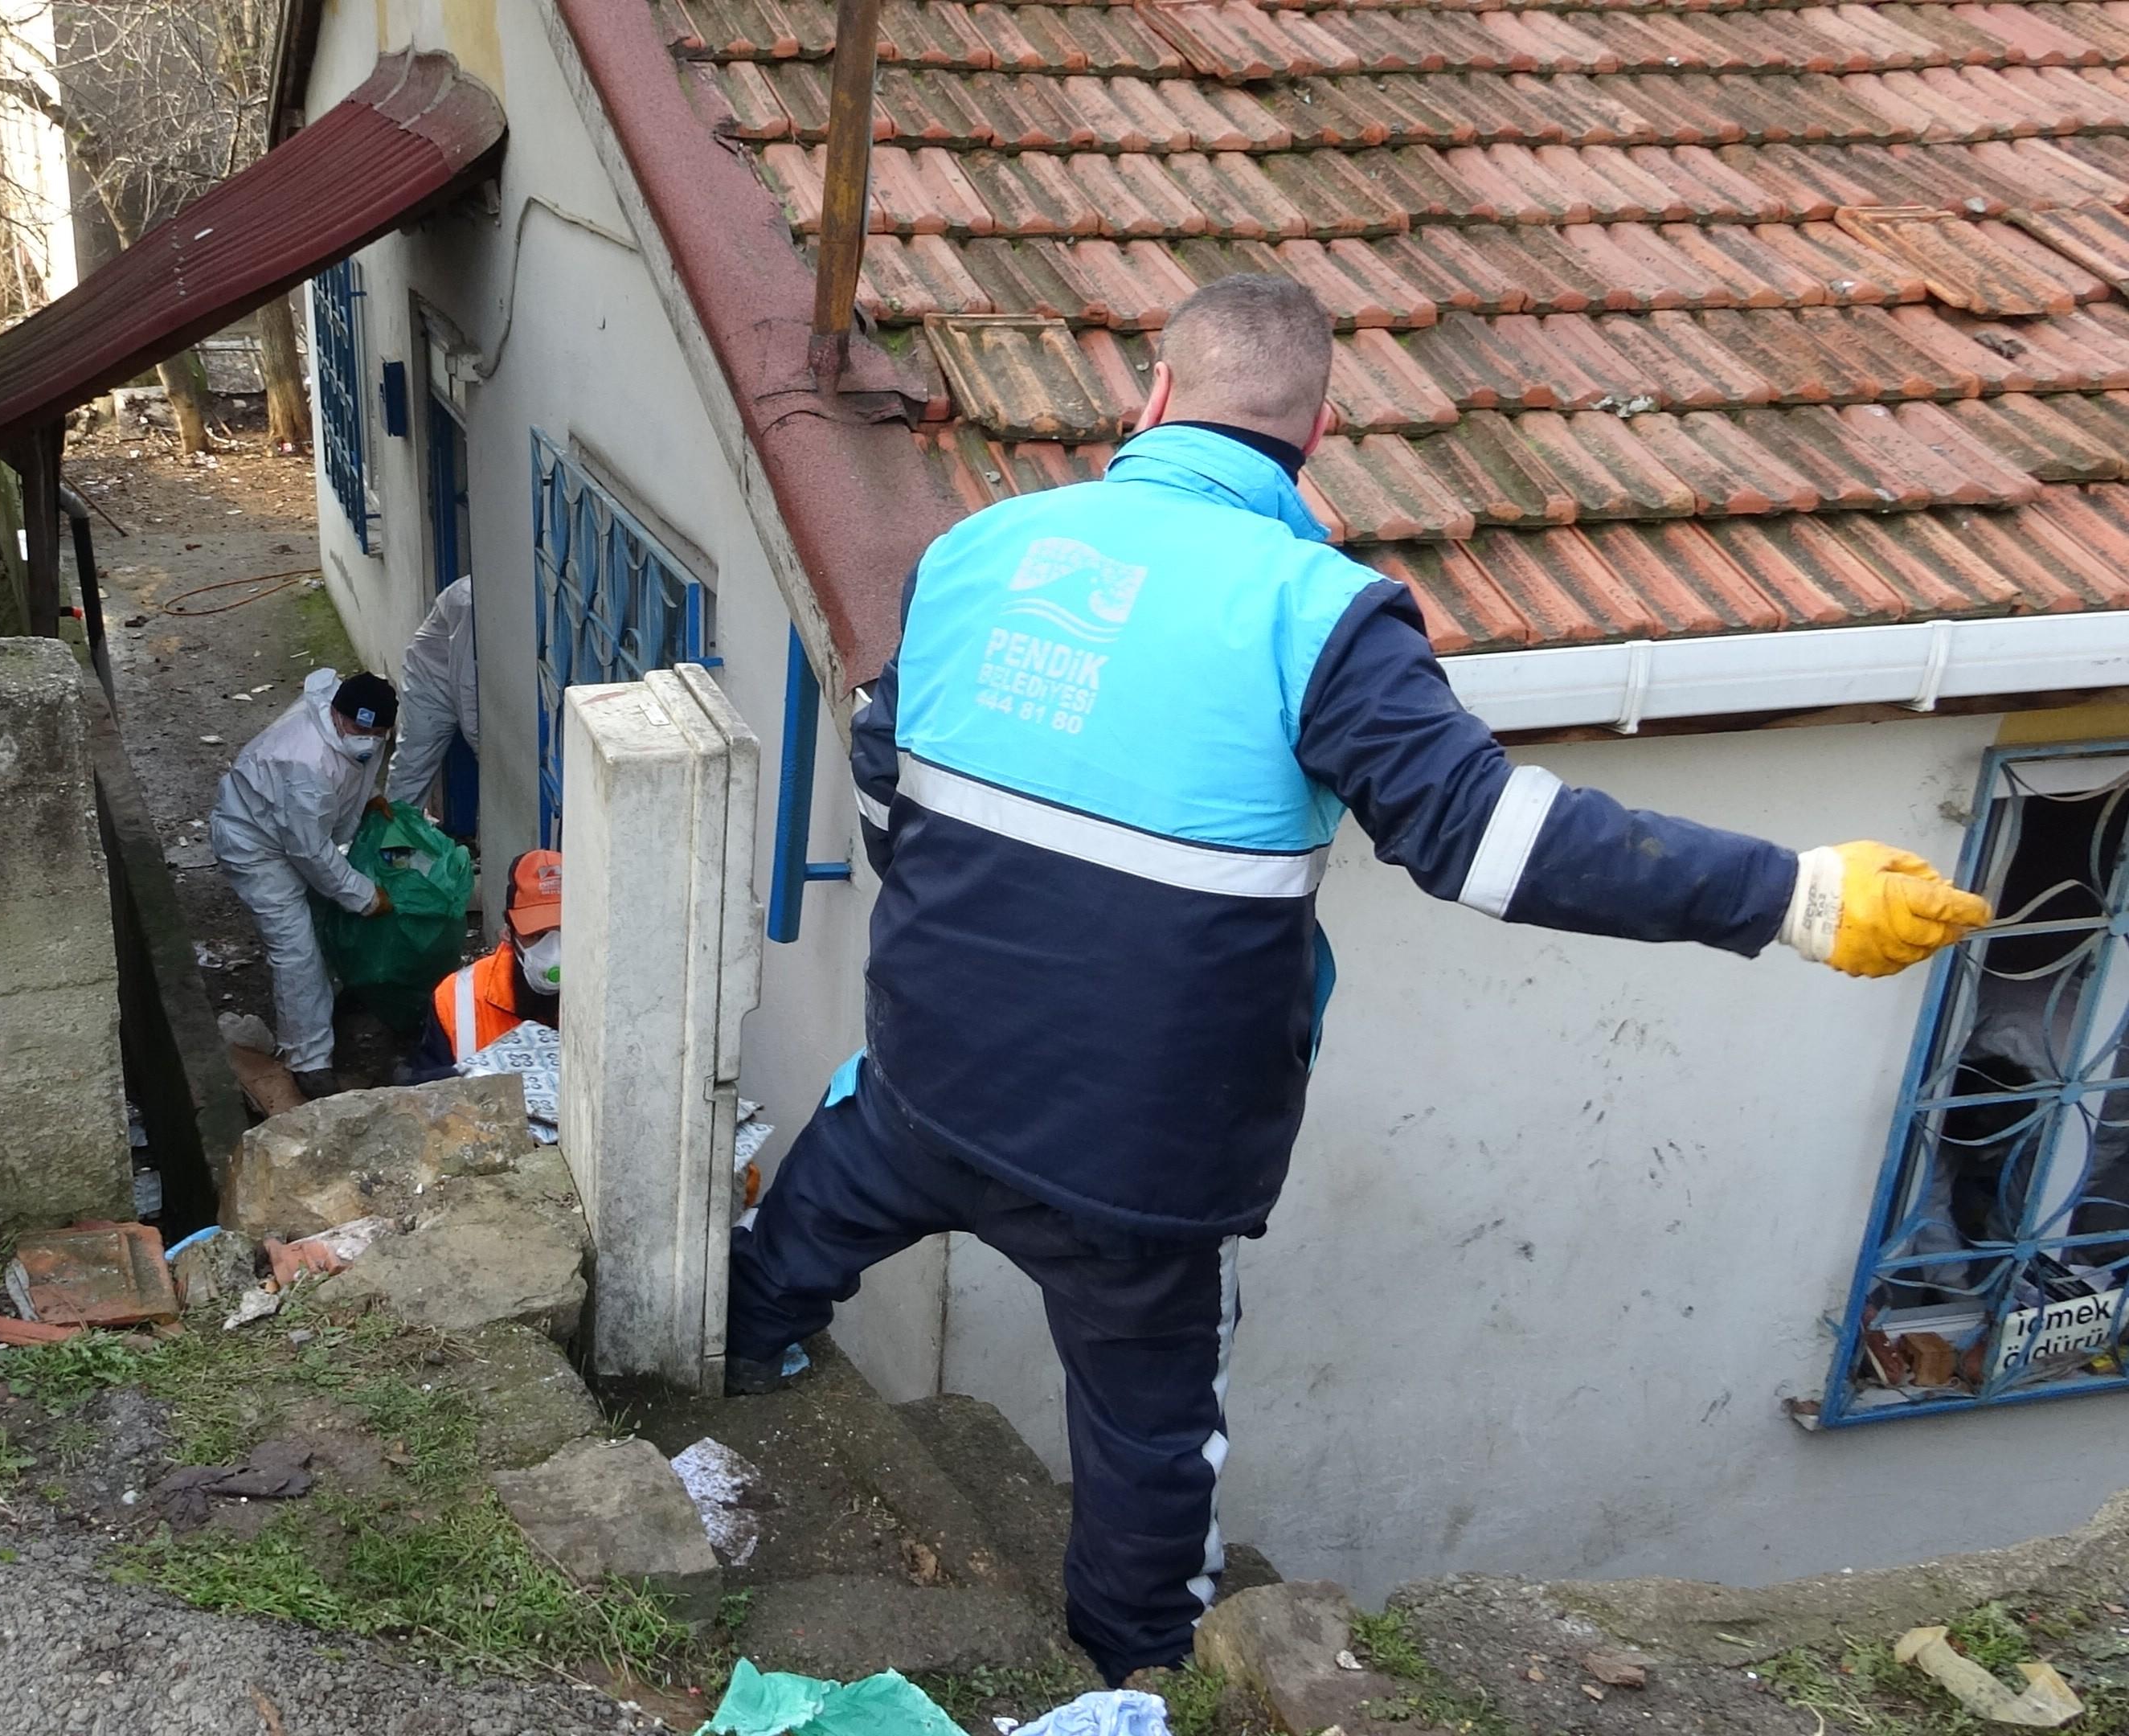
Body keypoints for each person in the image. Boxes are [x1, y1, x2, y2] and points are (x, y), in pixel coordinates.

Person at [724, 273, 1992, 1689]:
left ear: (1150, 397)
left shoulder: (976, 549)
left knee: (794, 1242)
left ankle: (728, 1362)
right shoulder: (1322, 615)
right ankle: (1136, 1686)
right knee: (1150, 1448)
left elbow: (886, 770)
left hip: (923, 1082)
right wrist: (1799, 898)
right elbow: (1487, 840)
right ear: (1316, 434)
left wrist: (982, 930)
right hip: (1137, 1173)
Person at [211, 669, 397, 1099]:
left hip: (292, 828)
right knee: (295, 949)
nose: (368, 740)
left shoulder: (351, 725)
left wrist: (365, 799)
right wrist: (365, 897)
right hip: (254, 842)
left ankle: (328, 1003)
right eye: (359, 729)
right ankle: (309, 1060)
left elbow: (349, 773)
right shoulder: (304, 761)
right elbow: (311, 852)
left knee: (321, 919)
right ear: (336, 714)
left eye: (378, 733)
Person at [409, 849, 562, 1075]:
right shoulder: (458, 999)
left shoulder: (615, 998)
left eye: (564, 933)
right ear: (509, 933)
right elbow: (427, 1093)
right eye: (537, 936)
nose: (554, 951)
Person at [384, 576, 477, 828]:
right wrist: (481, 743)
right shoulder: (469, 603)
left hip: (457, 676)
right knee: (413, 763)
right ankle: (392, 838)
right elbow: (466, 683)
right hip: (430, 682)